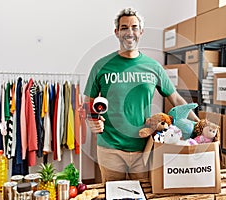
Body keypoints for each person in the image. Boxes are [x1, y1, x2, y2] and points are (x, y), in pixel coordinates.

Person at [83, 7, 200, 183]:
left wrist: (199, 125)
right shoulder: (101, 66)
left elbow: (176, 99)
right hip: (110, 149)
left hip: (144, 148)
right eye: (124, 28)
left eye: (134, 27)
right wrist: (92, 119)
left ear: (141, 32)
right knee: (114, 194)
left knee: (144, 194)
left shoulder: (153, 67)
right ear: (116, 32)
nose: (129, 32)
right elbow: (88, 102)